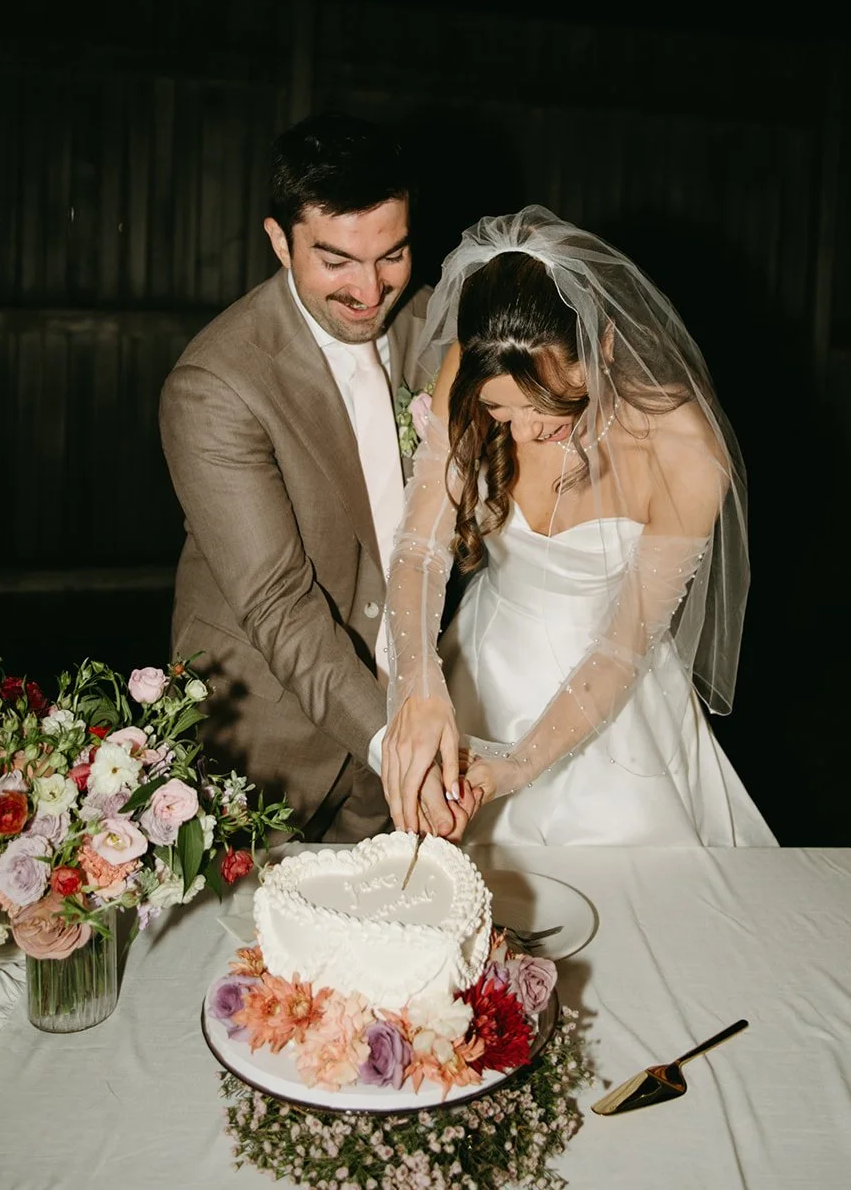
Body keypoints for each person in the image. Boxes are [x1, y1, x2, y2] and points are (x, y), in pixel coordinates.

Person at [381, 206, 777, 846]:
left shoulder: (685, 451)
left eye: (548, 406)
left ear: (605, 345)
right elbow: (419, 550)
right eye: (499, 411)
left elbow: (624, 644)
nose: (523, 431)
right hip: (480, 667)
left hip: (612, 704)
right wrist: (419, 684)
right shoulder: (472, 366)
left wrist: (515, 766)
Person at [159, 115, 473, 842]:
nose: (370, 289)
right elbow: (278, 603)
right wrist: (396, 744)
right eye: (336, 261)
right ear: (280, 241)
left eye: (392, 255)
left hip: (419, 720)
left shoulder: (433, 327)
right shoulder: (215, 384)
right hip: (261, 742)